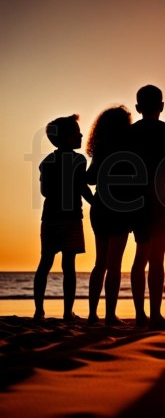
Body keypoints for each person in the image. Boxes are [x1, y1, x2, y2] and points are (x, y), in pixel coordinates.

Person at [129, 85, 165, 330]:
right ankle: (154, 315)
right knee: (157, 259)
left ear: (138, 108)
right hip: (162, 198)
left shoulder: (131, 132)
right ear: (162, 107)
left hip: (137, 200)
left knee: (140, 256)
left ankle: (140, 315)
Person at [34, 114, 93, 322]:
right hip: (71, 218)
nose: (81, 135)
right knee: (69, 266)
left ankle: (39, 311)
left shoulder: (46, 161)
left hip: (50, 218)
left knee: (45, 263)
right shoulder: (78, 159)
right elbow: (82, 186)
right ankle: (68, 312)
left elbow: (44, 191)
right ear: (67, 137)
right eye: (77, 133)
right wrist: (95, 202)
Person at [86, 105, 133, 326]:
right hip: (120, 207)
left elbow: (91, 178)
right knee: (114, 264)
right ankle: (109, 315)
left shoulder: (100, 149)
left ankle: (93, 314)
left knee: (100, 263)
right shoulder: (128, 149)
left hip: (100, 206)